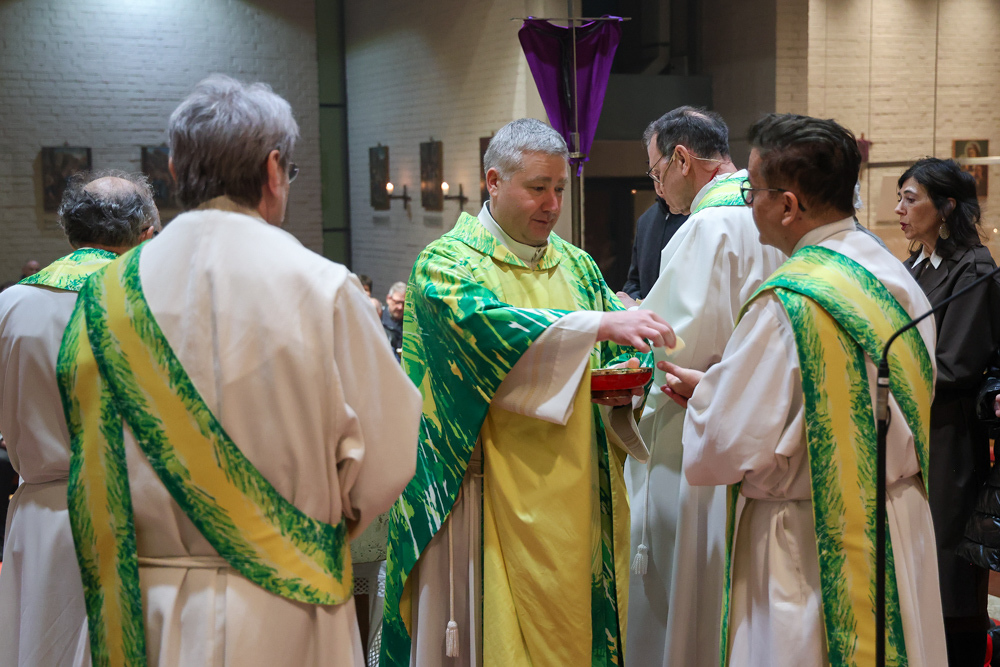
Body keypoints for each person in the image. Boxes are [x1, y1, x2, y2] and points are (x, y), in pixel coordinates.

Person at [56, 74, 422, 667]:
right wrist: (306, 526)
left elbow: (90, 453)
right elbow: (388, 457)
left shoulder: (105, 296)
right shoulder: (323, 288)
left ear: (174, 171)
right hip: (286, 607)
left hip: (147, 611)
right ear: (274, 170)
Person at [380, 117, 676, 667]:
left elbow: (615, 351)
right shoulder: (445, 266)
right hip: (486, 494)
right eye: (538, 188)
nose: (552, 204)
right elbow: (488, 329)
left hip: (574, 495)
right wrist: (596, 327)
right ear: (494, 182)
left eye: (559, 188)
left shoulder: (578, 266)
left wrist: (628, 383)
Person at [665, 113, 948, 666]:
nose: (749, 203)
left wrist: (710, 397)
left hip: (809, 540)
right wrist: (725, 388)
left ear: (788, 206)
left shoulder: (788, 302)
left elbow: (722, 447)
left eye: (752, 191)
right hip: (897, 523)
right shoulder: (896, 279)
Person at [623, 107, 785, 667]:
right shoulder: (773, 214)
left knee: (690, 585)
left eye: (656, 173)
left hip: (698, 425)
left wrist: (619, 326)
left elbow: (673, 348)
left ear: (682, 160)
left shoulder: (707, 226)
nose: (657, 188)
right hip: (766, 428)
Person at [0, 170, 159, 666]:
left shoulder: (10, 304)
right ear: (146, 234)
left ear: (70, 231)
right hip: (133, 515)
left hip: (39, 519)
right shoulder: (154, 302)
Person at [895, 157, 1000, 666]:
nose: (900, 209)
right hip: (909, 429)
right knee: (911, 566)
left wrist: (879, 379)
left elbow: (954, 364)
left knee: (947, 578)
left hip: (948, 438)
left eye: (910, 199)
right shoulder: (914, 266)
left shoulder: (974, 268)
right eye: (899, 198)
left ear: (947, 207)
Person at [620, 186, 688, 300]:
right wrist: (636, 302)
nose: (660, 184)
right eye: (655, 177)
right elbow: (634, 281)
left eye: (661, 176)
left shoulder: (699, 216)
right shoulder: (645, 220)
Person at [382, 281, 405, 360]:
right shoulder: (378, 320)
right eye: (397, 302)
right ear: (388, 299)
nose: (400, 307)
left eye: (404, 303)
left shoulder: (410, 325)